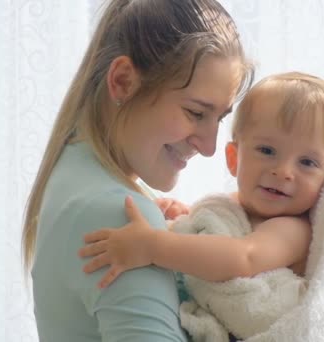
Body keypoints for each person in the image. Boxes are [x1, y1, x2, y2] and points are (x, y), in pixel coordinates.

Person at [20, 0, 254, 341]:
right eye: (195, 112)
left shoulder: (73, 171)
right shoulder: (120, 217)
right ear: (123, 81)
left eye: (219, 118)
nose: (209, 146)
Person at [78, 71, 324, 291]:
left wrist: (152, 245)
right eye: (267, 151)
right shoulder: (233, 206)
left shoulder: (293, 230)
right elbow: (217, 239)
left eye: (308, 163)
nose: (284, 171)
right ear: (233, 158)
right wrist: (190, 220)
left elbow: (242, 258)